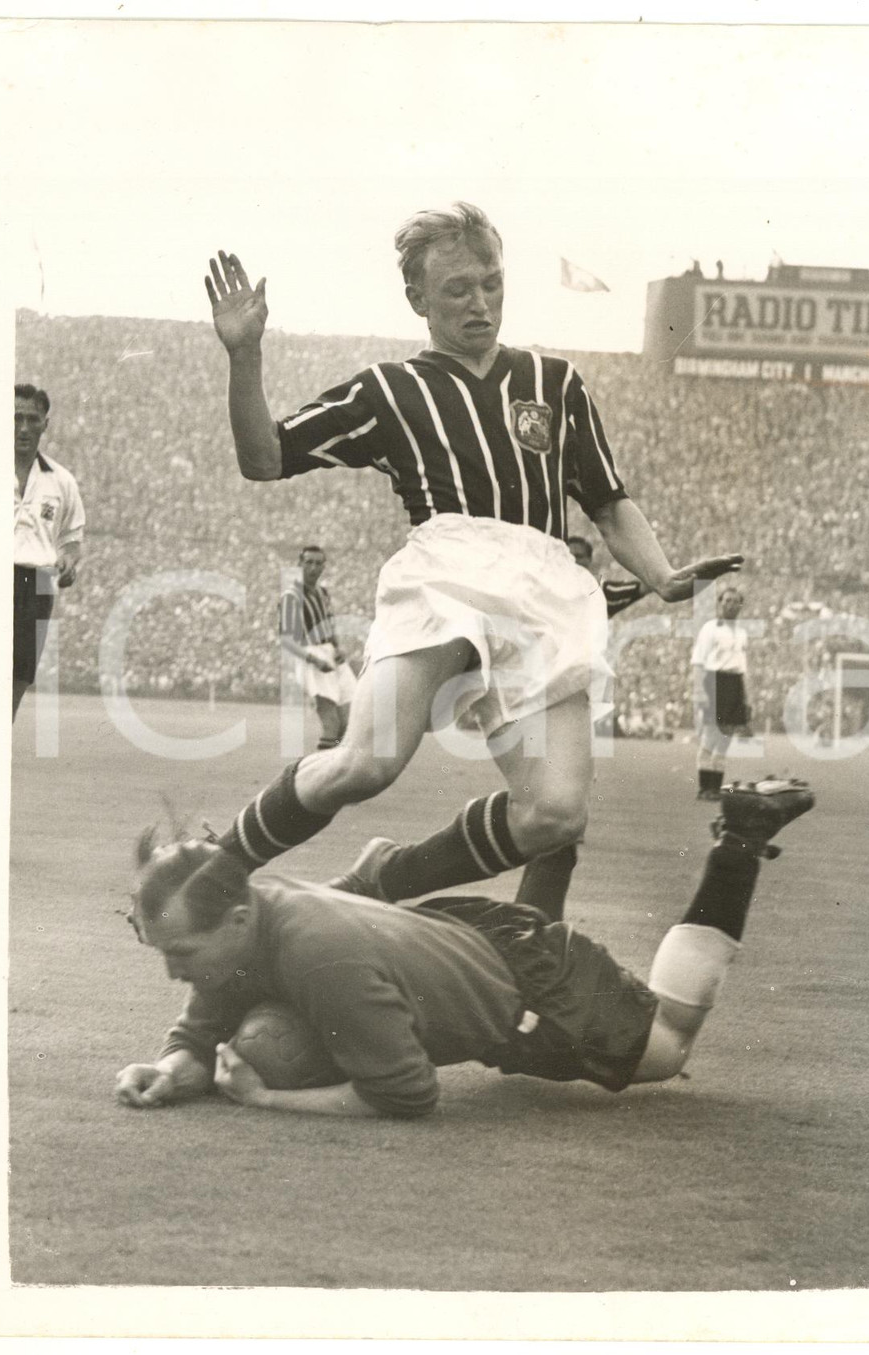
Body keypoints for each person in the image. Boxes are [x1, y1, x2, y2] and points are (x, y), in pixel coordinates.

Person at [202, 202, 741, 902]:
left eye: (491, 283)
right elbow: (264, 457)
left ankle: (388, 876)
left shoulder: (556, 384)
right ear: (418, 298)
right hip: (446, 572)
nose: (480, 303)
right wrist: (246, 356)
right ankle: (218, 865)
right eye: (458, 288)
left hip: (544, 584)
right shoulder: (388, 390)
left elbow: (607, 499)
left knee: (555, 813)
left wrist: (663, 575)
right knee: (367, 762)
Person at [114, 777, 814, 1119]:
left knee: (668, 1045)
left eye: (182, 951)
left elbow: (407, 1093)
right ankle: (551, 846)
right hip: (467, 935)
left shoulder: (318, 958)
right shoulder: (246, 918)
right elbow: (202, 1020)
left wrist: (269, 1097)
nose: (177, 971)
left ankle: (740, 842)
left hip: (533, 983)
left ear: (235, 919)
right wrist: (175, 1065)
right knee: (508, 962)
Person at [513, 534, 648, 919]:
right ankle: (533, 916)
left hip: (576, 699)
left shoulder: (594, 596)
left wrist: (664, 576)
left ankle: (535, 911)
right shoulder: (535, 591)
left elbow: (640, 587)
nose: (576, 562)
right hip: (540, 699)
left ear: (591, 562)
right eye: (570, 555)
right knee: (552, 806)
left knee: (564, 804)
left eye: (582, 557)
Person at [12, 384, 85, 719]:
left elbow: (71, 538)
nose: (23, 428)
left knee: (17, 678)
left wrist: (68, 561)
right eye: (15, 418)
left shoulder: (61, 480)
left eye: (32, 419)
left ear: (45, 424)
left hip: (38, 583)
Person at [279, 545, 357, 750]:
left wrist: (338, 648)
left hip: (330, 653)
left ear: (324, 566)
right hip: (311, 655)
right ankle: (321, 779)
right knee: (331, 723)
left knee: (349, 723)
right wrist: (313, 660)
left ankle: (334, 773)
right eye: (309, 562)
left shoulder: (323, 593)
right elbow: (286, 639)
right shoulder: (291, 596)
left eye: (318, 563)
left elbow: (328, 627)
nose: (313, 567)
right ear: (299, 564)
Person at [691, 585, 751, 800]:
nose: (730, 605)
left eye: (735, 601)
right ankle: (704, 788)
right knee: (709, 738)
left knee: (725, 741)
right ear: (719, 603)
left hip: (735, 685)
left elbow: (742, 667)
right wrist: (699, 690)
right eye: (726, 601)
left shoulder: (742, 633)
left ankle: (715, 789)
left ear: (740, 606)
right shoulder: (710, 628)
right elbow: (698, 661)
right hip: (715, 682)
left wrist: (746, 696)